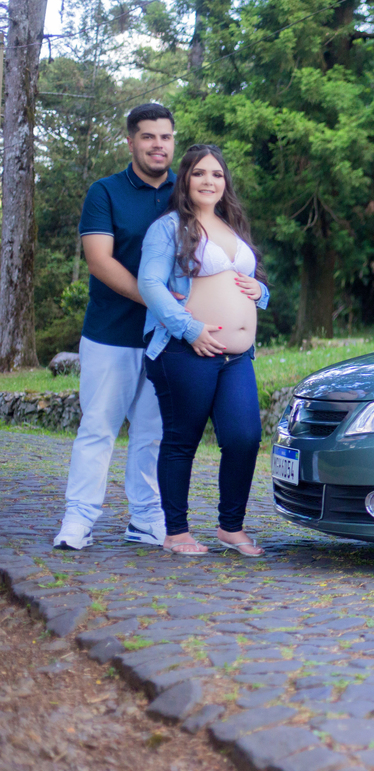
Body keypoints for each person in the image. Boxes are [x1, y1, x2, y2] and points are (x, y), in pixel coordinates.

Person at [54, 104, 177, 551]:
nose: (157, 145)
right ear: (131, 142)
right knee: (98, 428)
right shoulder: (104, 192)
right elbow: (99, 261)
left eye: (165, 137)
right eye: (148, 137)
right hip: (111, 334)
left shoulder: (187, 191)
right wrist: (159, 301)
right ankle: (79, 519)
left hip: (167, 339)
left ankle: (146, 520)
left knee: (153, 433)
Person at [138, 144, 270, 556]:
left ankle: (230, 528)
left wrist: (261, 291)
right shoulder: (168, 228)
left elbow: (251, 283)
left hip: (236, 357)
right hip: (185, 349)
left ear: (225, 182)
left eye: (216, 174)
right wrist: (190, 329)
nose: (208, 181)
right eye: (199, 173)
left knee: (245, 436)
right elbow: (150, 285)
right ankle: (176, 532)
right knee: (182, 439)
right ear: (185, 180)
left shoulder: (232, 227)